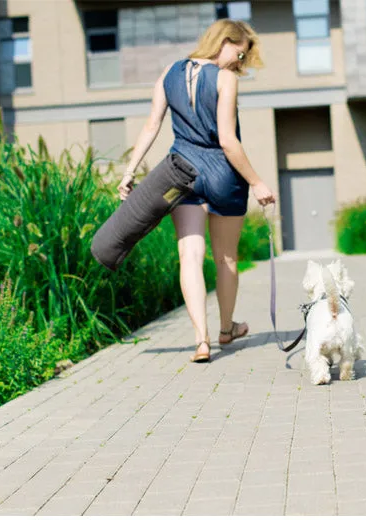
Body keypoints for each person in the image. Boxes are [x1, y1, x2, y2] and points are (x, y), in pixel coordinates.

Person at [117, 19, 275, 363]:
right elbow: (227, 140)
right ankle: (226, 329)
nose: (239, 62)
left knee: (189, 255)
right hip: (223, 175)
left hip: (181, 173)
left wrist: (129, 172)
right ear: (226, 41)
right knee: (226, 258)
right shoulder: (224, 78)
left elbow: (151, 126)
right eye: (240, 53)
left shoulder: (169, 73)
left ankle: (201, 340)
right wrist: (257, 182)